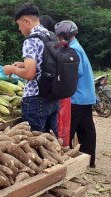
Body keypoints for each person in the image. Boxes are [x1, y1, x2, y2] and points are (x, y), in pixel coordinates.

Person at [3, 3, 59, 135]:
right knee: (52, 143)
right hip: (52, 96)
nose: (19, 29)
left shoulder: (31, 40)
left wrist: (12, 69)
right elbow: (46, 63)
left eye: (19, 24)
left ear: (26, 21)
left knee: (36, 145)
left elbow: (29, 74)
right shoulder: (51, 36)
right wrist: (23, 64)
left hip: (36, 99)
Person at [55, 20, 97, 167]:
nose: (59, 39)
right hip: (86, 95)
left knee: (69, 131)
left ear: (64, 35)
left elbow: (75, 72)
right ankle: (89, 162)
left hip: (77, 97)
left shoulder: (73, 49)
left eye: (59, 36)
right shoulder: (76, 46)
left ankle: (70, 163)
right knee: (86, 130)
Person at [39, 15, 71, 146]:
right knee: (55, 130)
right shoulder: (58, 44)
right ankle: (60, 150)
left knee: (45, 133)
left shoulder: (44, 43)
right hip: (60, 93)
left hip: (50, 93)